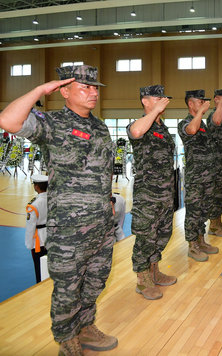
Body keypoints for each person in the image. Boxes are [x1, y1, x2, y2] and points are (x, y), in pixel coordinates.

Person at [0, 65, 118, 355]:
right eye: (86, 87)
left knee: (95, 281)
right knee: (67, 288)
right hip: (69, 228)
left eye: (95, 88)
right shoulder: (51, 122)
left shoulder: (100, 126)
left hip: (101, 223)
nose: (93, 92)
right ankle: (66, 340)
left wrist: (109, 205)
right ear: (64, 91)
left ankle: (86, 326)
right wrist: (40, 90)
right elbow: (8, 121)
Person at [127, 85, 177, 300]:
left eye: (163, 97)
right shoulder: (139, 125)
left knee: (163, 234)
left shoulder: (162, 127)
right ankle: (142, 278)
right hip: (147, 195)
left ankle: (154, 271)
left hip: (166, 193)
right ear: (145, 101)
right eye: (157, 97)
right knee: (146, 237)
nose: (162, 101)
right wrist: (154, 111)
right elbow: (136, 132)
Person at [178, 90, 219, 262]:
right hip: (195, 178)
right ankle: (192, 245)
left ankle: (201, 240)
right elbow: (191, 130)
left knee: (204, 210)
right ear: (190, 104)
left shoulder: (203, 124)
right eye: (199, 101)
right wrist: (201, 112)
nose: (203, 103)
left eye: (204, 101)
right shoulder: (186, 123)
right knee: (194, 212)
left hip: (208, 176)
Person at [205, 89, 222, 237]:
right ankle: (214, 226)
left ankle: (218, 222)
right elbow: (216, 121)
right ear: (215, 99)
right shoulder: (214, 115)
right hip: (216, 163)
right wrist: (220, 105)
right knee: (217, 195)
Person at [25, 174, 48, 284]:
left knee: (39, 269)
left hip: (39, 242)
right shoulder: (52, 200)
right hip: (51, 237)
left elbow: (30, 227)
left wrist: (30, 245)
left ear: (37, 187)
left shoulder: (34, 205)